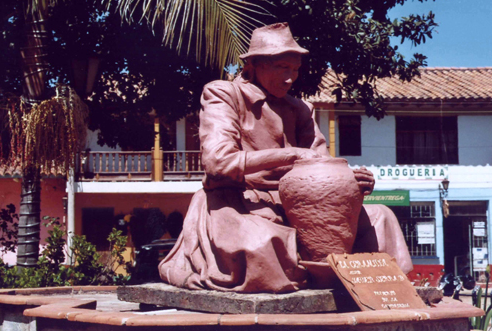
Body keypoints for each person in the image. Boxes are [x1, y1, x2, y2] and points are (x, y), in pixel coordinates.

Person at [159, 23, 412, 293]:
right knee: (267, 242)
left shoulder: (300, 108)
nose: (290, 78)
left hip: (298, 205)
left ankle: (385, 296)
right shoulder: (224, 94)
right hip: (236, 202)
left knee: (380, 219)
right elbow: (218, 162)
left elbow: (321, 168)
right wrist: (288, 154)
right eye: (282, 68)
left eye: (295, 69)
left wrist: (352, 181)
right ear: (255, 64)